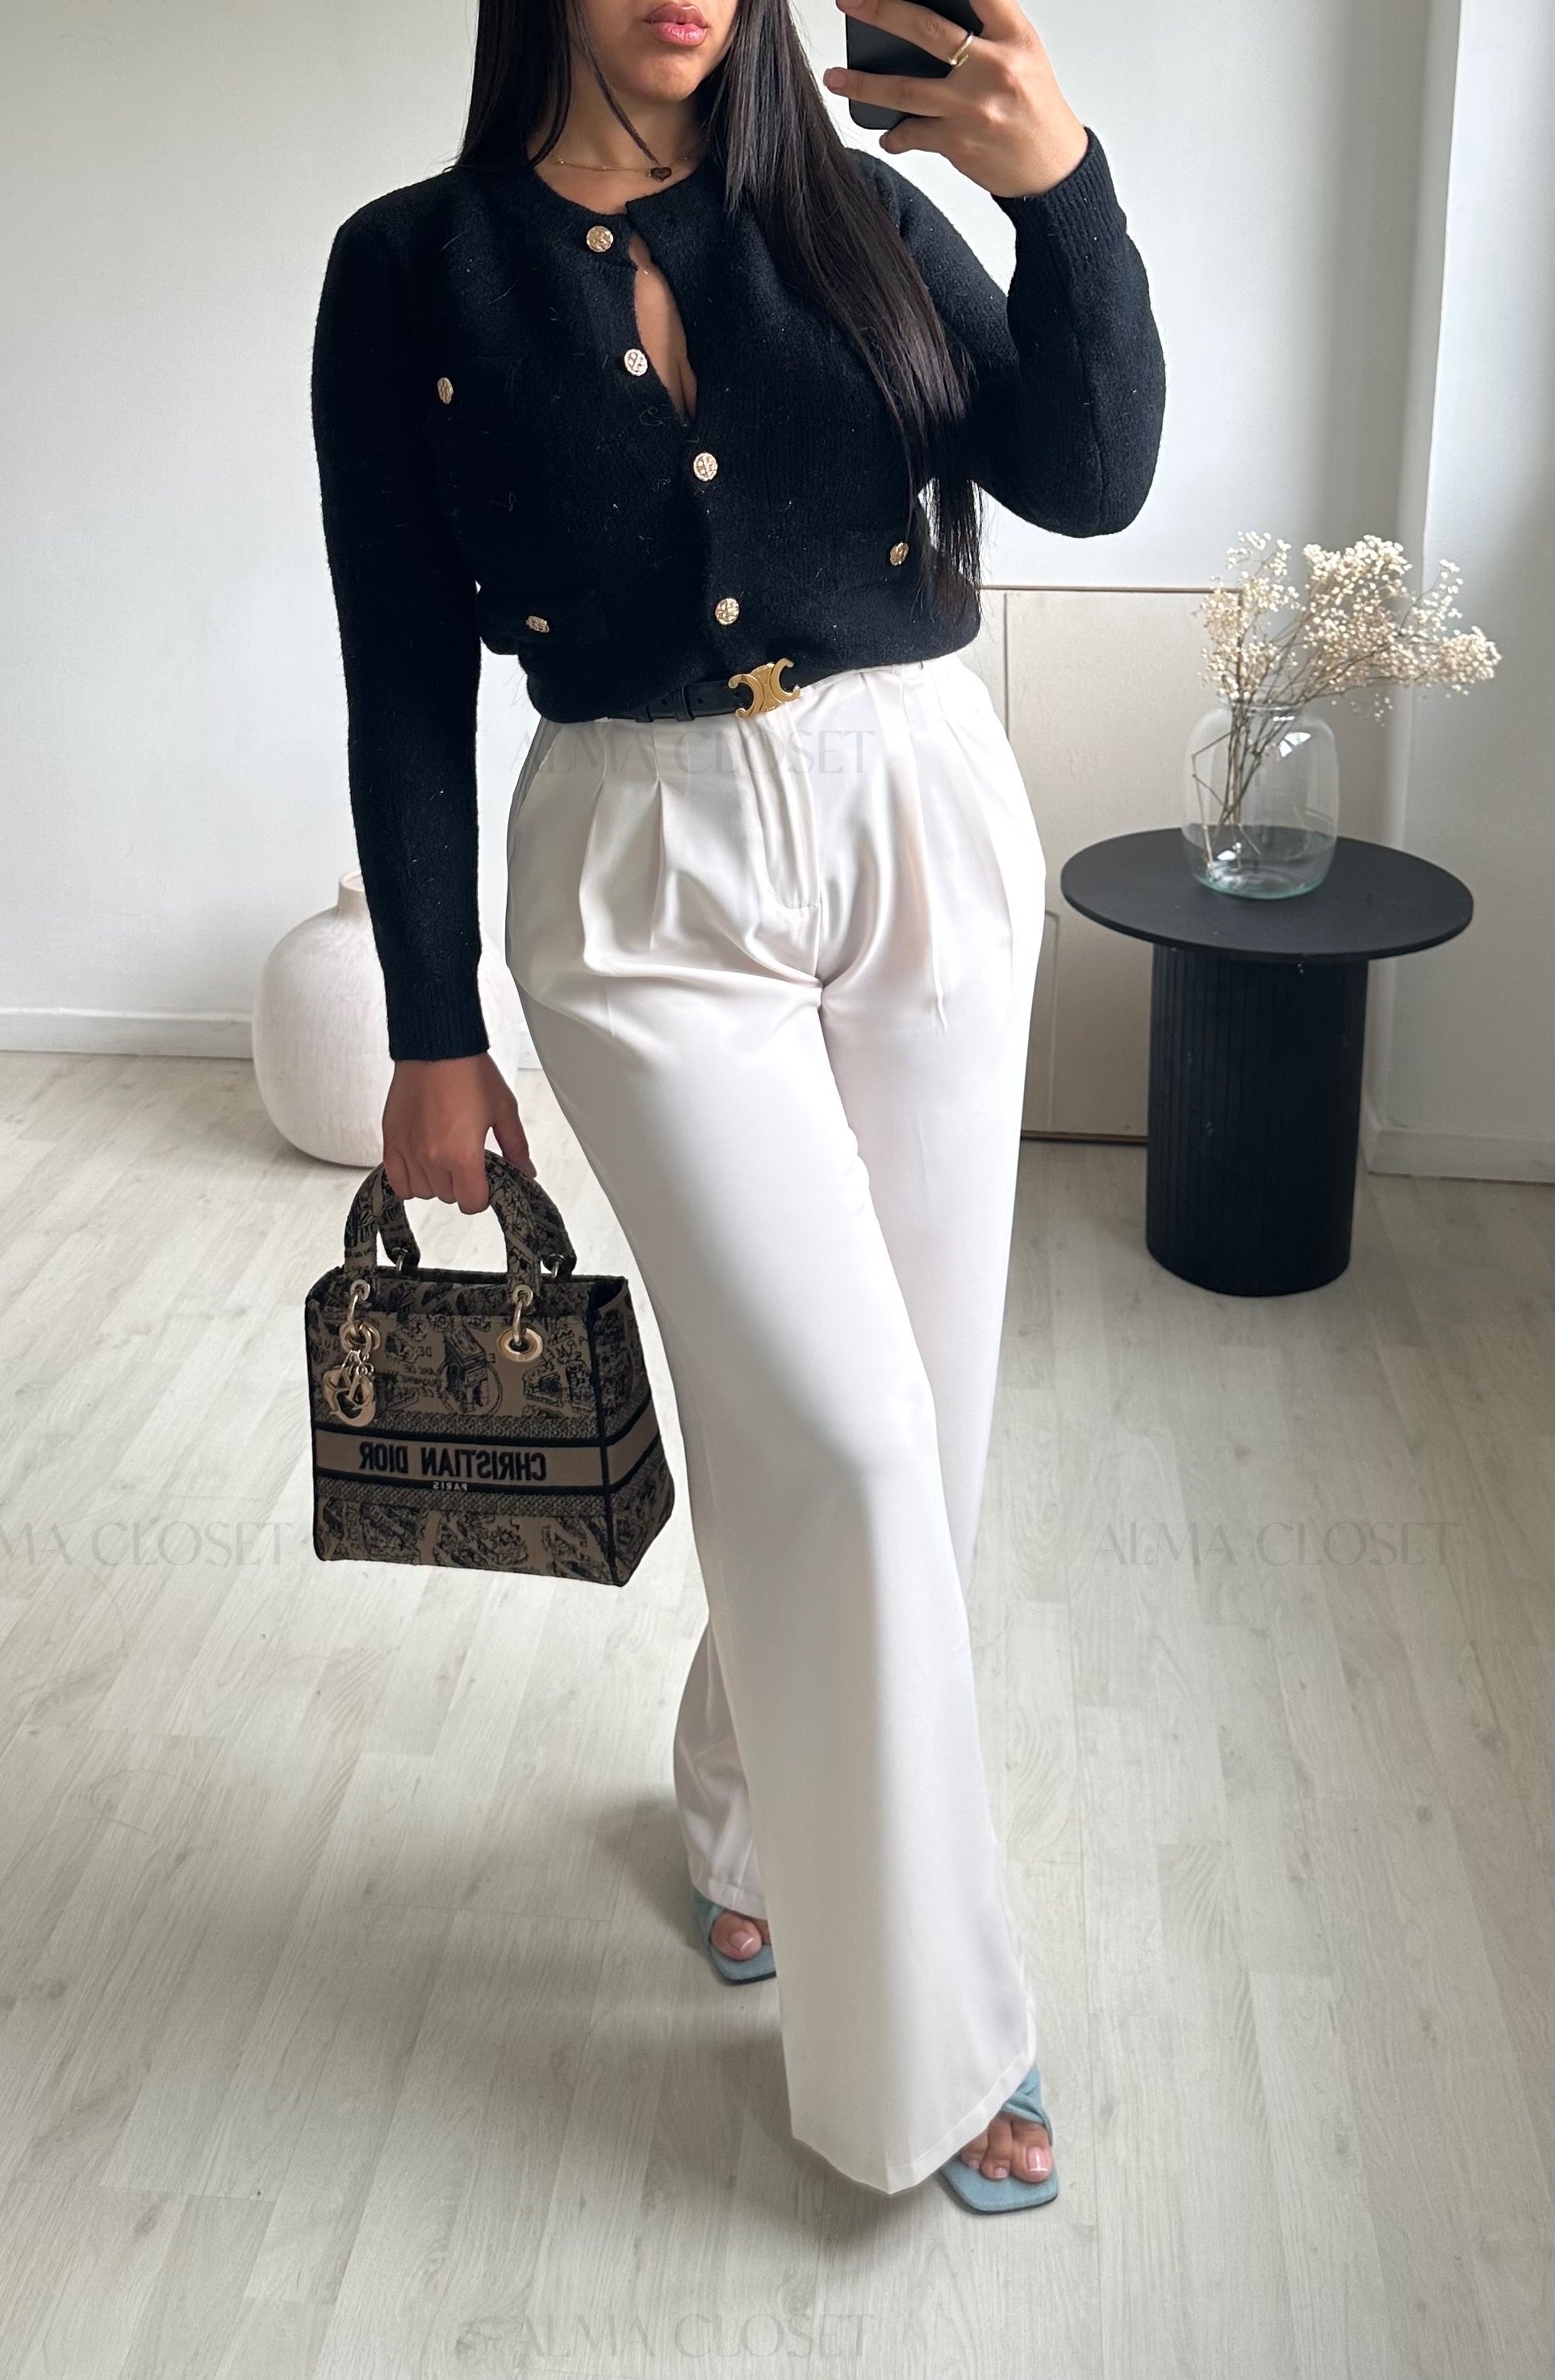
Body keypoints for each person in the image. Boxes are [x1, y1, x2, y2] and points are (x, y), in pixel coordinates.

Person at [311, 0, 1164, 2209]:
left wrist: (1060, 191)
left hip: (917, 813)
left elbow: (1091, 476)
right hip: (639, 877)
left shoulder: (859, 214)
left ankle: (744, 1811)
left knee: (911, 1441)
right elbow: (399, 665)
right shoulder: (411, 272)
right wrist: (430, 1022)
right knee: (849, 1437)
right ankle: (931, 2052)